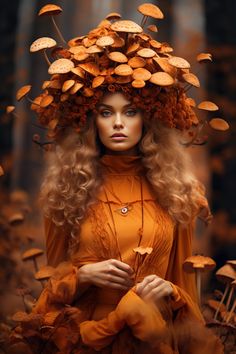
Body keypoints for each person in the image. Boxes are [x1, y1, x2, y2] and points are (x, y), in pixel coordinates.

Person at [21, 3, 224, 353]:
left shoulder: (177, 192)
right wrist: (81, 277)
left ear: (147, 118)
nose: (118, 123)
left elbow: (187, 294)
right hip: (87, 340)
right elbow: (50, 296)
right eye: (105, 112)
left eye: (130, 112)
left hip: (155, 337)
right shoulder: (66, 192)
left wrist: (171, 292)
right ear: (90, 119)